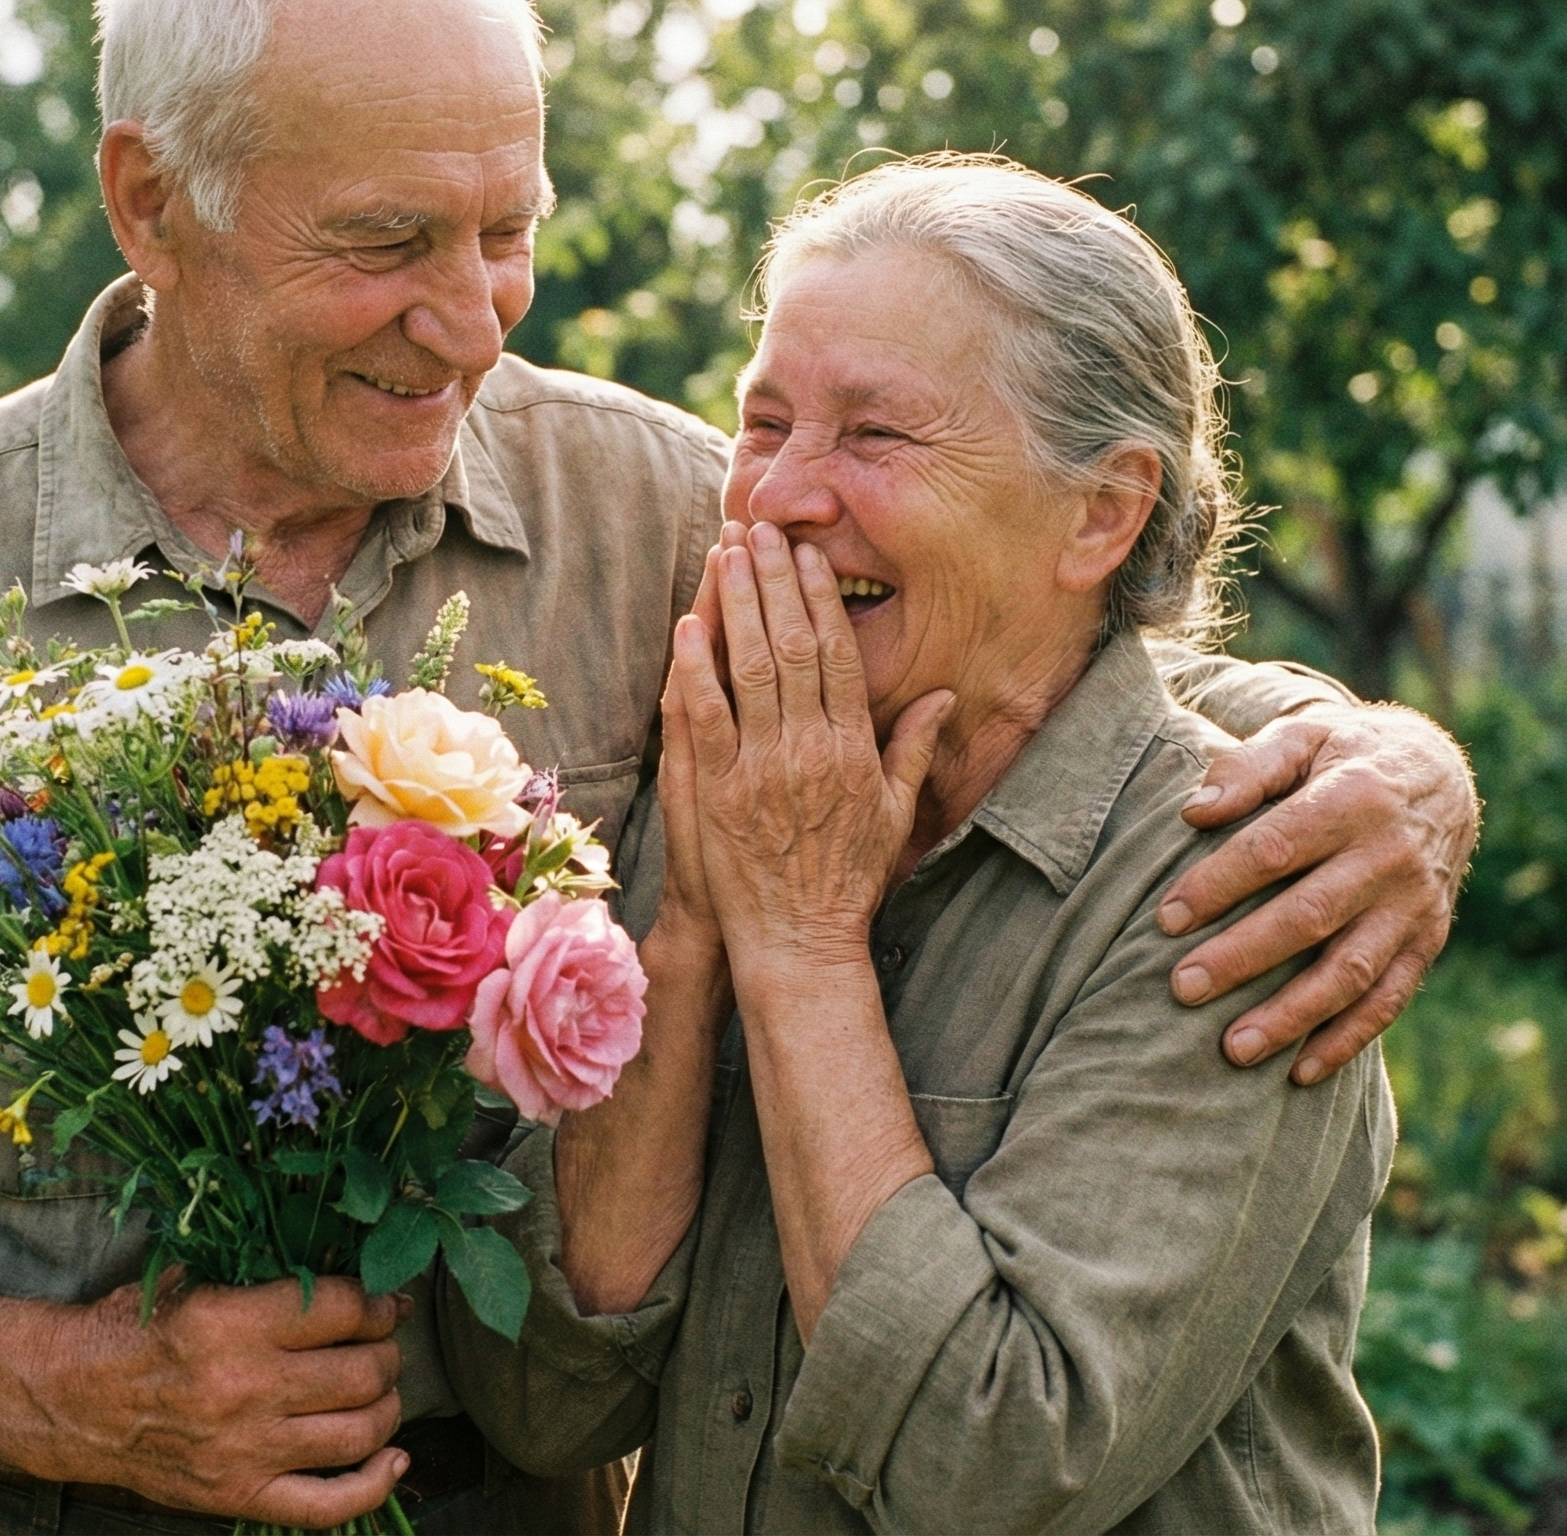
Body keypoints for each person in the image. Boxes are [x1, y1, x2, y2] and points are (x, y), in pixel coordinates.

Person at [0, 4, 1473, 1533]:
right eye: (388, 242)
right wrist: (83, 1402)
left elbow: (1029, 666)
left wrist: (1375, 764)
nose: (475, 317)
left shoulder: (655, 511)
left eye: (509, 232)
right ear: (153, 206)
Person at [441, 156, 1403, 1533]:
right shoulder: (744, 779)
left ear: (1102, 514)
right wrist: (703, 932)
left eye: (876, 437)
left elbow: (984, 1470)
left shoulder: (1245, 880)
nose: (778, 497)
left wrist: (800, 943)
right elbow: (545, 1400)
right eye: (763, 422)